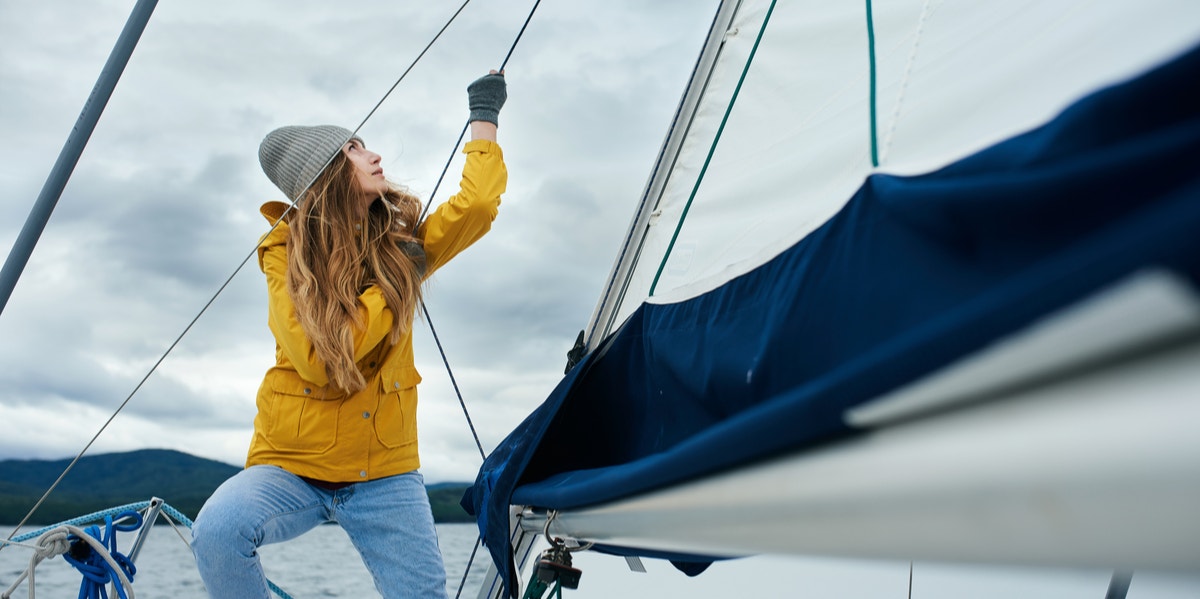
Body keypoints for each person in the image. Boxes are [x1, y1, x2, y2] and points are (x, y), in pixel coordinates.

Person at [191, 71, 508, 599]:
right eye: (354, 149)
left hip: (386, 469)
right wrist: (389, 287)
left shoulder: (402, 246)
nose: (374, 154)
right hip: (291, 465)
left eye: (366, 144)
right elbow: (320, 356)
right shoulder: (282, 255)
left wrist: (484, 115)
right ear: (328, 174)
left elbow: (475, 208)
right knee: (219, 531)